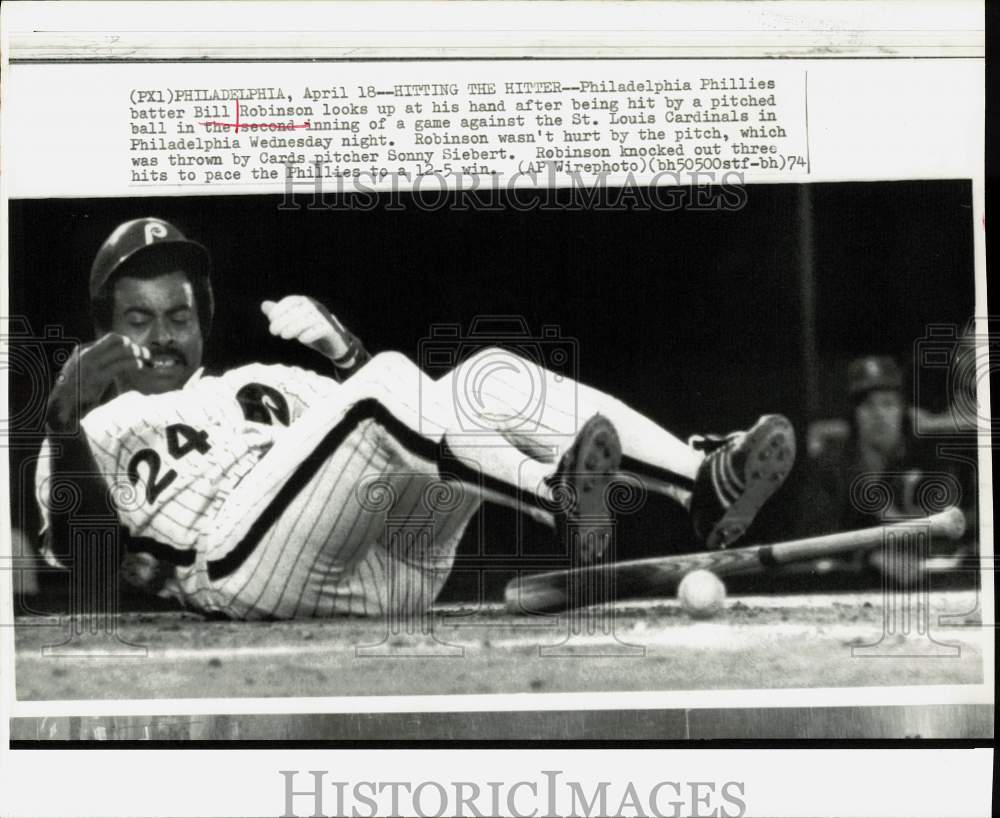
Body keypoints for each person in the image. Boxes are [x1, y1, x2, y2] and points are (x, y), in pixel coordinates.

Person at [36, 217, 796, 620]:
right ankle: (553, 496)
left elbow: (404, 425)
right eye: (139, 319)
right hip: (241, 576)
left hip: (391, 566)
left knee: (483, 376)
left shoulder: (257, 382)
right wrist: (65, 423)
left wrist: (344, 353)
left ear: (201, 321)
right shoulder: (89, 430)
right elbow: (93, 568)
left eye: (178, 314)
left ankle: (702, 484)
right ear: (104, 326)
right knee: (387, 382)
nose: (162, 335)